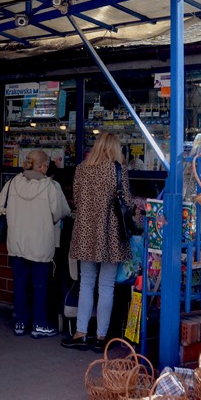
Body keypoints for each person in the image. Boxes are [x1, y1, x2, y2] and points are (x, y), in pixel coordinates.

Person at [61, 131, 134, 352]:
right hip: (110, 233)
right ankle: (102, 336)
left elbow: (77, 199)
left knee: (86, 283)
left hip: (85, 231)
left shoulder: (82, 169)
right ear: (114, 148)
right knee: (106, 286)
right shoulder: (117, 169)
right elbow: (127, 202)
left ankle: (81, 333)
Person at [0, 149, 71, 338]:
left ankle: (20, 322)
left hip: (16, 242)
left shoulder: (12, 184)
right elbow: (61, 212)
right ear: (43, 167)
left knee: (20, 283)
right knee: (39, 285)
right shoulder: (51, 187)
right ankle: (39, 324)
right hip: (41, 243)